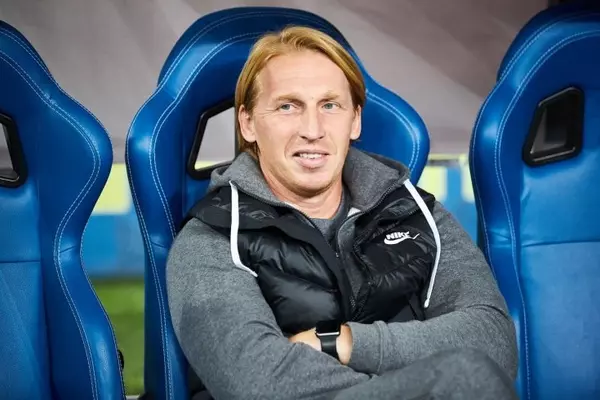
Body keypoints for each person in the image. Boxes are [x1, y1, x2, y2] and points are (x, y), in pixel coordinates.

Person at [167, 25, 518, 400]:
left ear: (355, 121)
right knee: (462, 379)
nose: (312, 130)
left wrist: (343, 342)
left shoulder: (416, 213)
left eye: (330, 105)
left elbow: (494, 342)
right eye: (288, 106)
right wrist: (422, 382)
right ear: (248, 123)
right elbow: (257, 383)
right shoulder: (212, 238)